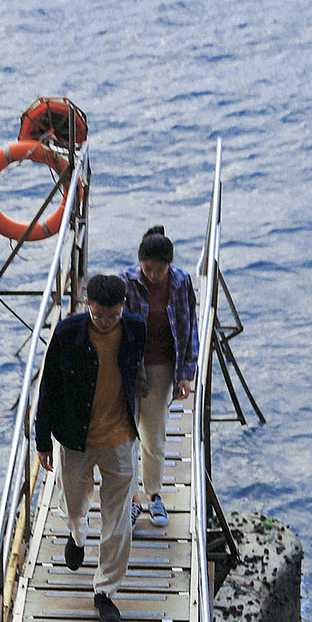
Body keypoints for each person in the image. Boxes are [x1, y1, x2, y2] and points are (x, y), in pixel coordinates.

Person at [35, 272, 146, 622]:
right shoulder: (68, 333)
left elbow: (139, 373)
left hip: (120, 439)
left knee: (117, 520)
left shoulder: (134, 329)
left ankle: (105, 591)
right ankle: (76, 533)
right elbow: (48, 388)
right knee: (73, 497)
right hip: (75, 438)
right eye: (98, 315)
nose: (104, 322)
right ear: (87, 306)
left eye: (112, 316)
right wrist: (42, 441)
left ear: (123, 307)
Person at [121, 225, 199, 528]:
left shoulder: (181, 282)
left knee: (154, 435)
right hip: (129, 369)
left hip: (161, 368)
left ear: (170, 264)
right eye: (148, 268)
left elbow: (188, 328)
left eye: (160, 268)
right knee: (126, 437)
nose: (153, 274)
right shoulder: (125, 281)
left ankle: (153, 495)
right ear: (140, 262)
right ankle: (130, 499)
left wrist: (185, 374)